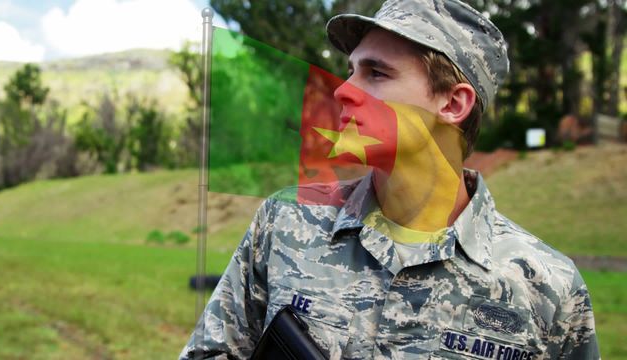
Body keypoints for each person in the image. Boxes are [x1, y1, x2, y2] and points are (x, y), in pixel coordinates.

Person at [180, 0, 600, 359]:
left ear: (453, 104)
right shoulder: (286, 222)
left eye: (376, 74)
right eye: (351, 70)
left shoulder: (547, 288)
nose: (344, 89)